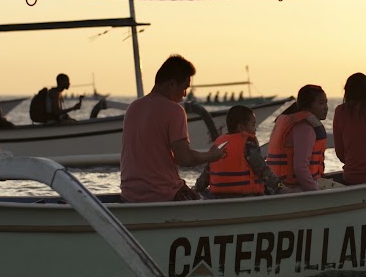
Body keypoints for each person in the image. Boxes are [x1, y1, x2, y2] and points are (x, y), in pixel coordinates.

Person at [119, 54, 228, 203]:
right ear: (172, 84)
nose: (184, 95)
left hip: (129, 194)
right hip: (162, 194)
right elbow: (184, 158)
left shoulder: (133, 108)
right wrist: (211, 156)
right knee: (204, 201)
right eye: (184, 88)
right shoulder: (174, 111)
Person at [195, 105, 280, 198]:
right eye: (253, 125)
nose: (255, 129)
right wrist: (280, 187)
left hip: (218, 197)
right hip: (246, 196)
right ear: (240, 127)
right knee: (271, 189)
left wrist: (195, 189)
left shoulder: (218, 145)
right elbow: (263, 170)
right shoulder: (248, 145)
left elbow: (206, 175)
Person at [267, 84, 330, 193]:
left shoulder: (292, 122)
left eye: (326, 103)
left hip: (279, 185)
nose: (326, 107)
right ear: (308, 106)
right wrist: (315, 192)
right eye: (321, 103)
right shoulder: (305, 128)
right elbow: (301, 168)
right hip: (292, 188)